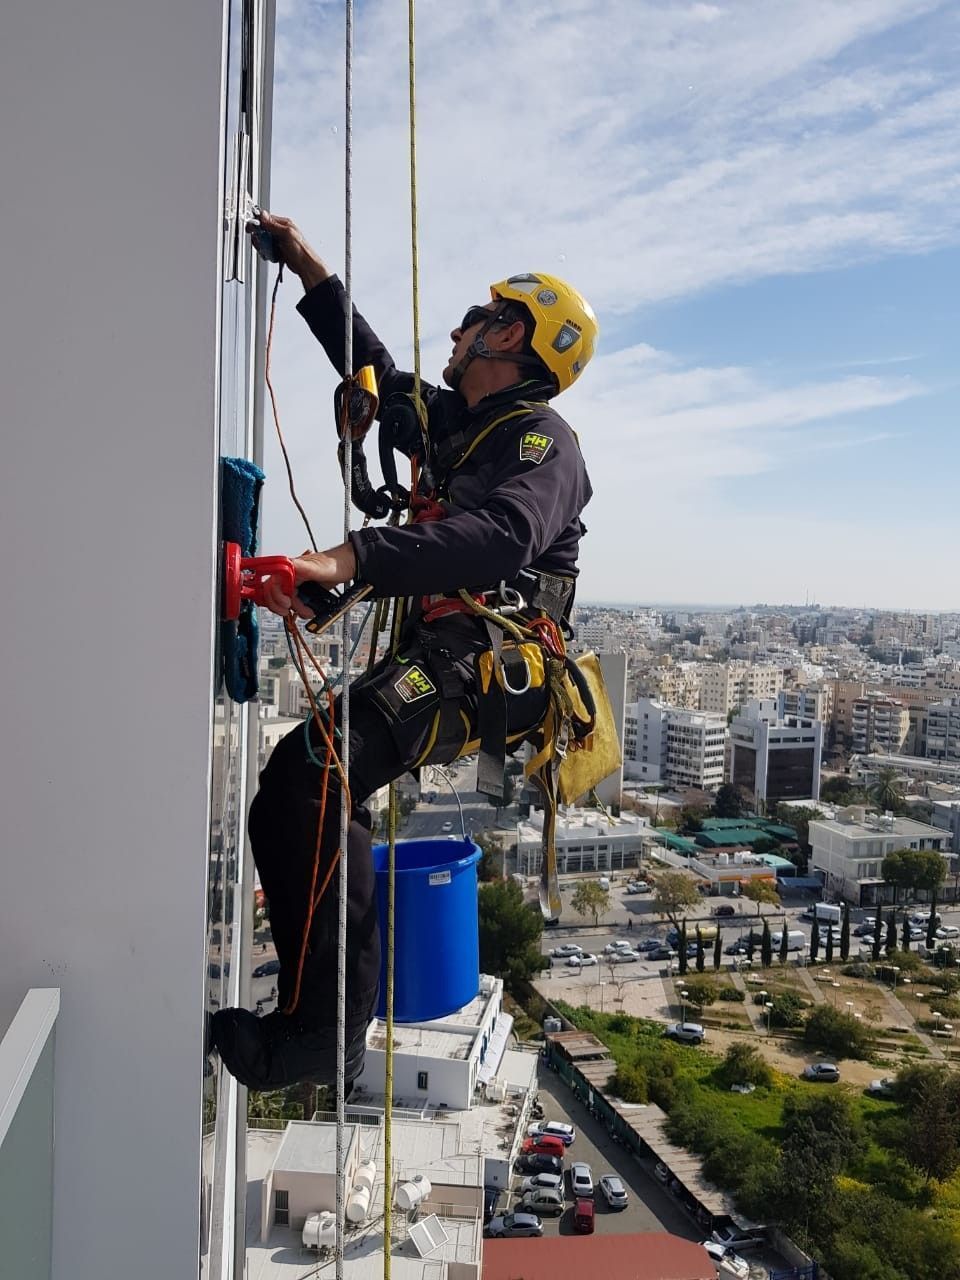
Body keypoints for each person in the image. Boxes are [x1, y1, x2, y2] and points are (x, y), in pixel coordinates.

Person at [211, 211, 599, 1091]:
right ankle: (325, 1023)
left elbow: (501, 537)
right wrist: (309, 271)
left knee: (313, 778)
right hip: (452, 651)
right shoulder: (456, 426)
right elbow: (377, 372)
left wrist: (352, 558)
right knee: (301, 788)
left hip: (486, 661)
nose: (458, 332)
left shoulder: (544, 443)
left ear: (509, 336)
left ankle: (324, 1033)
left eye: (475, 317)